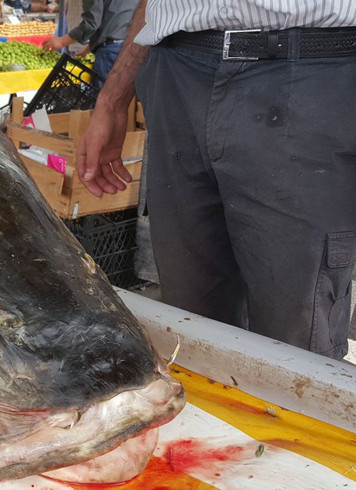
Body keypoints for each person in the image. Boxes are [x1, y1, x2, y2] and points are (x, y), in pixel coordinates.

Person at [76, 0, 356, 360]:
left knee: (298, 344)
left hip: (312, 73)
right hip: (176, 70)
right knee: (190, 333)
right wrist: (113, 99)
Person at [42, 0, 138, 81]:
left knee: (105, 99)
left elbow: (91, 24)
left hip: (110, 52)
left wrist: (62, 41)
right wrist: (88, 48)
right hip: (130, 47)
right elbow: (114, 17)